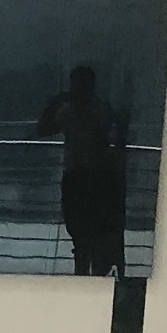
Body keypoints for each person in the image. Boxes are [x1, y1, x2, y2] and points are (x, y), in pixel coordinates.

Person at [40, 64, 127, 277]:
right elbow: (44, 128)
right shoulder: (74, 110)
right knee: (80, 231)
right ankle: (86, 272)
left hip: (93, 178)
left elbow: (44, 128)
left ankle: (87, 273)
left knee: (89, 233)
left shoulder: (96, 110)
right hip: (82, 176)